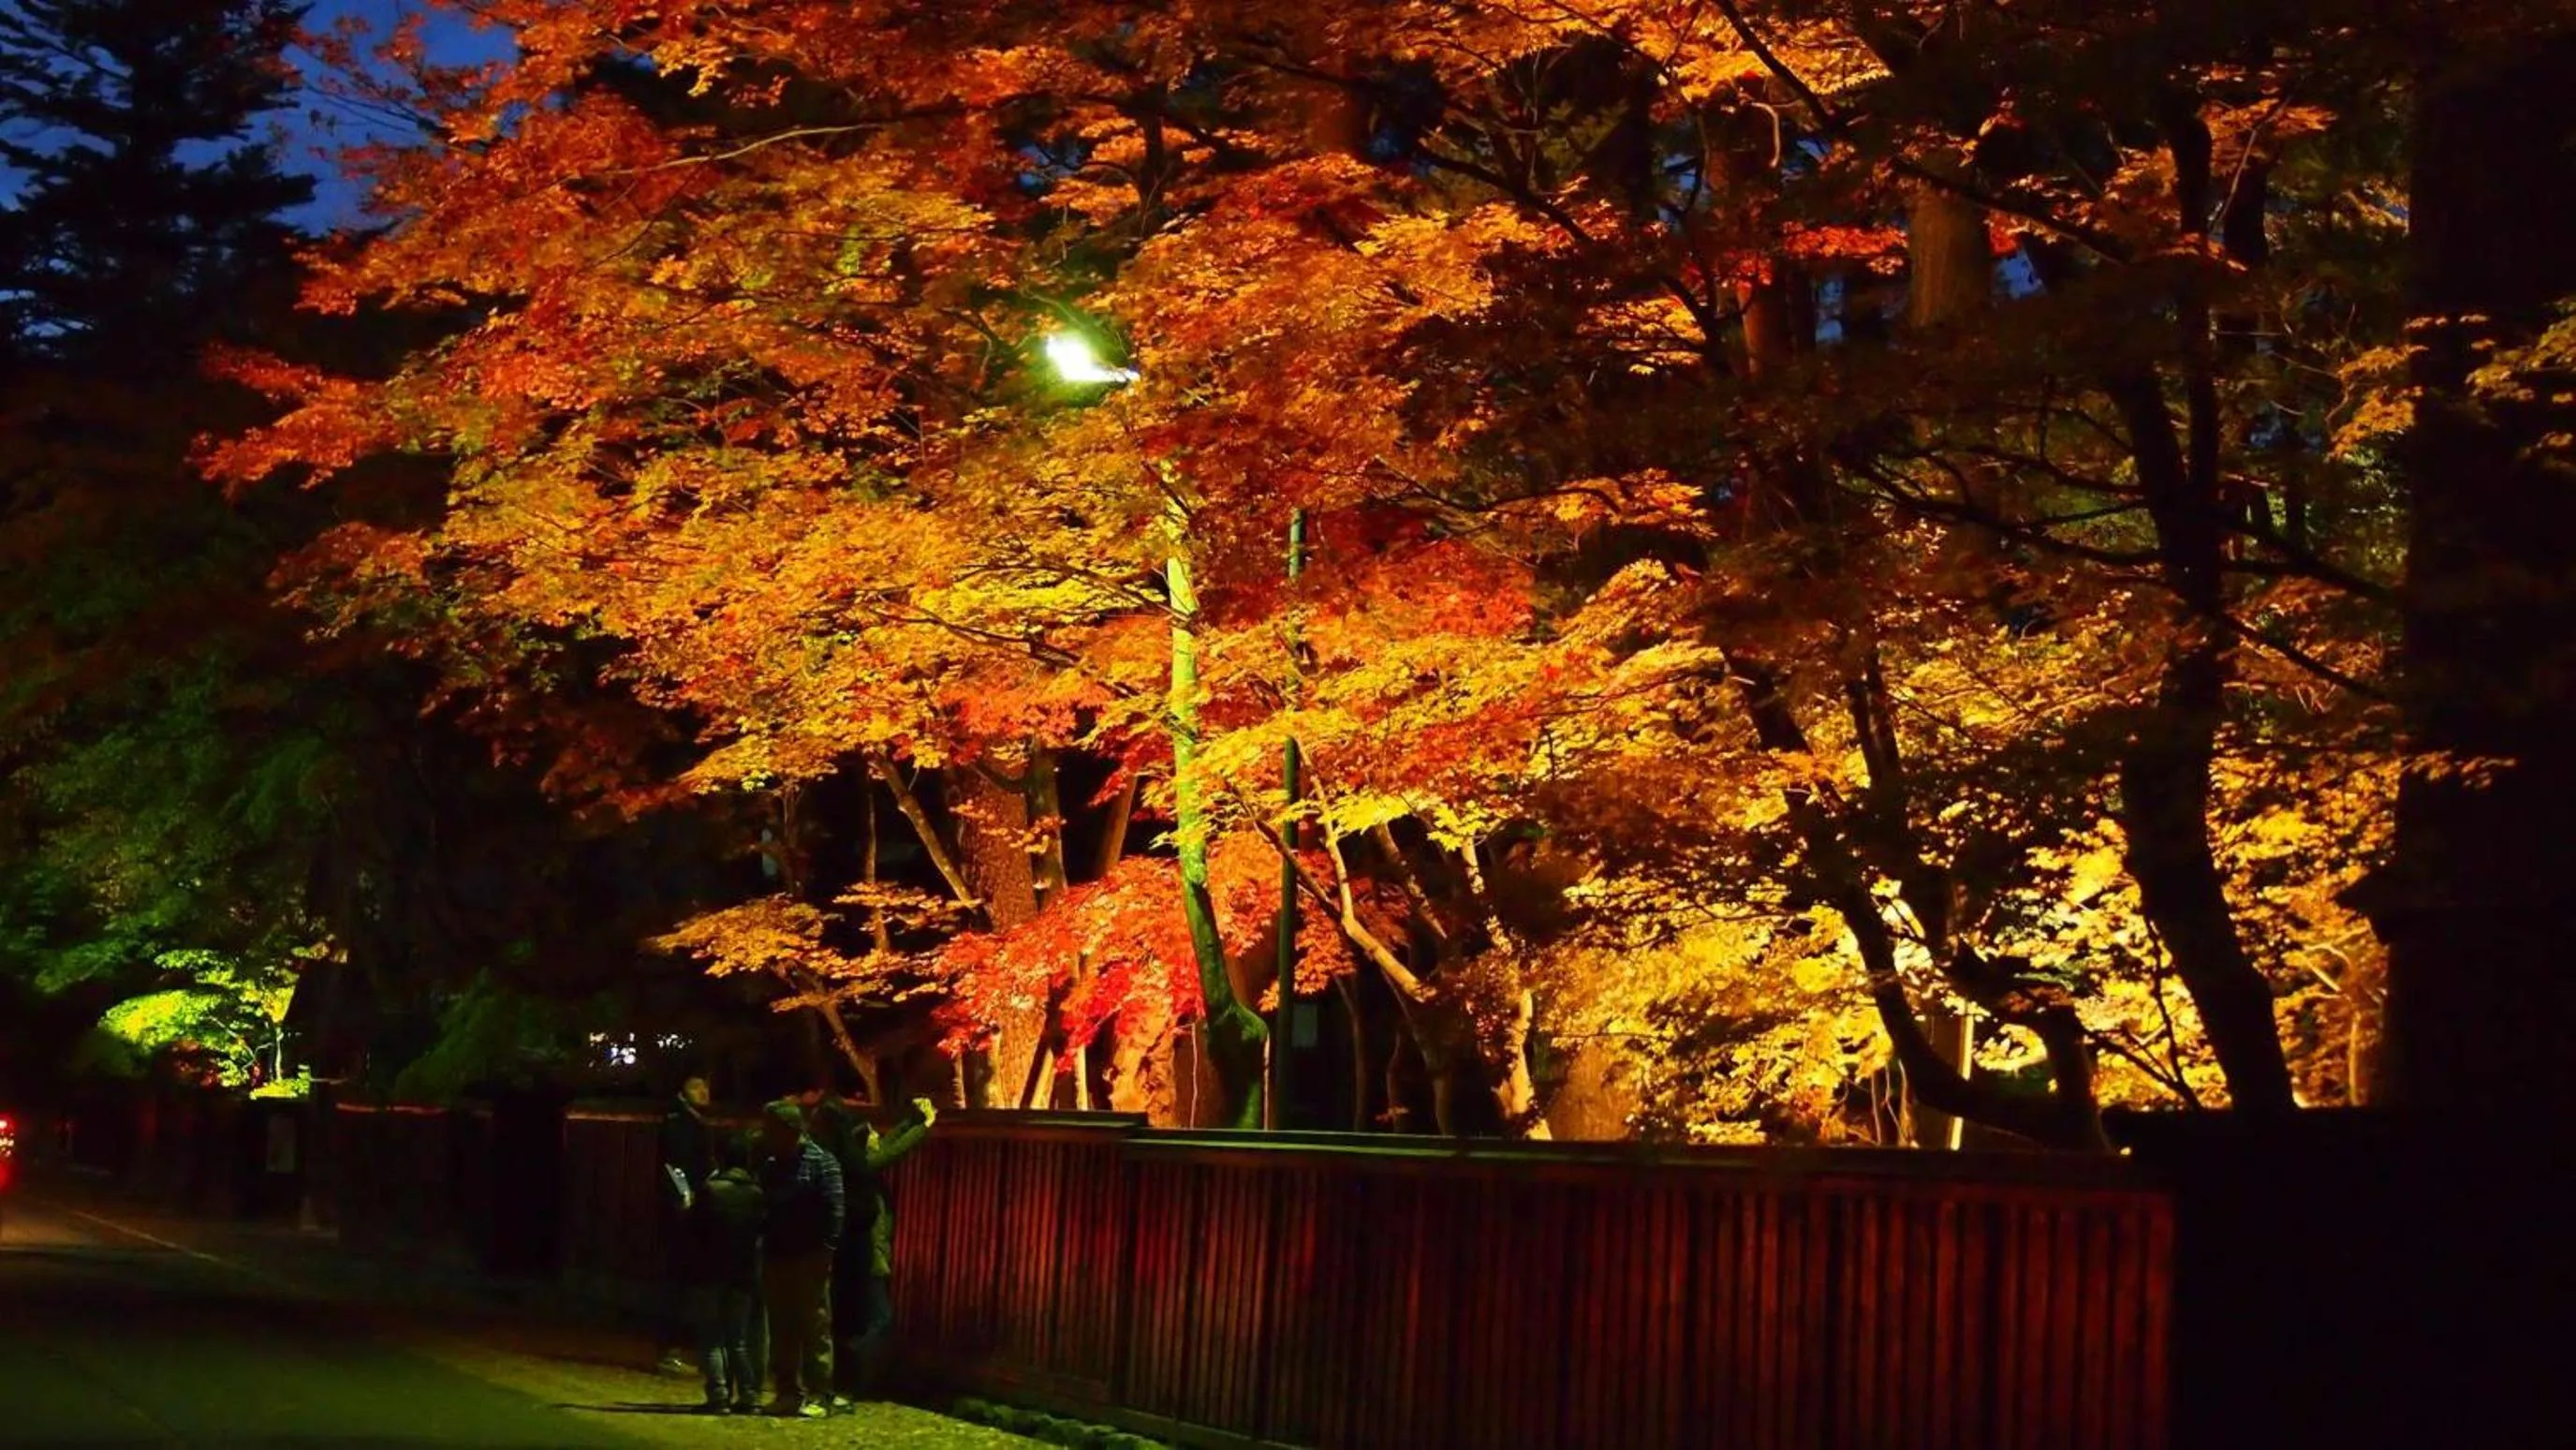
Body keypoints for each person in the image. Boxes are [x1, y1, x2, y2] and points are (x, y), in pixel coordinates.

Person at [834, 1094, 937, 1406]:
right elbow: (891, 1152)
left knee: (863, 1318)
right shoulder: (864, 1170)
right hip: (869, 1256)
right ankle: (854, 1377)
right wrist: (924, 1128)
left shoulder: (859, 1167)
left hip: (863, 1254)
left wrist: (911, 1119)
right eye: (874, 1137)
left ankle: (849, 1377)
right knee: (880, 1320)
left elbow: (887, 1143)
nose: (880, 1138)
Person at [756, 1099, 843, 1418]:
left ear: (790, 1131)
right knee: (781, 1326)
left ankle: (820, 1393)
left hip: (810, 1255)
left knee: (814, 1326)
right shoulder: (771, 1164)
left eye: (771, 1129)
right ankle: (787, 1390)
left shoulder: (822, 1163)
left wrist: (826, 1250)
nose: (765, 1135)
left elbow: (835, 1210)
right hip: (778, 1253)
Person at [690, 1132, 765, 1413]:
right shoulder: (756, 1193)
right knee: (739, 1339)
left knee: (712, 1336)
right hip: (744, 1273)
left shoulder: (710, 1190)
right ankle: (749, 1396)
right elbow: (761, 1231)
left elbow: (695, 1230)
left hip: (711, 1271)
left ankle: (719, 1394)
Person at [655, 1073, 715, 1375]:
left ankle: (679, 1346)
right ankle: (670, 1349)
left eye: (705, 1086)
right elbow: (675, 1165)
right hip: (684, 1208)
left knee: (686, 1278)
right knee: (677, 1277)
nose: (703, 1092)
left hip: (693, 1206)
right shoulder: (679, 1121)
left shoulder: (692, 1120)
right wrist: (685, 1195)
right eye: (696, 1086)